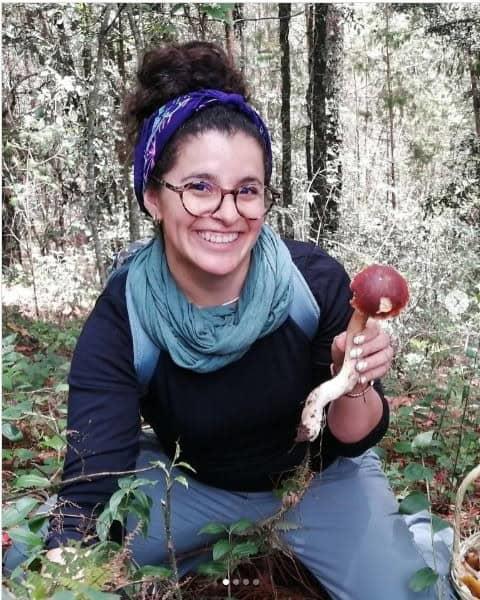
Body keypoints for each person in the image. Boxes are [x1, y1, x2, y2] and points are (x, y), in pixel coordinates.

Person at [5, 41, 455, 599]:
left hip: (316, 483)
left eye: (247, 190)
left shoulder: (311, 282)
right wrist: (65, 567)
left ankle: (414, 539)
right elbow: (94, 475)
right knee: (30, 560)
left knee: (407, 593)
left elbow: (351, 438)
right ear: (153, 195)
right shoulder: (127, 313)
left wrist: (353, 381)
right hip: (192, 485)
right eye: (198, 188)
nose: (226, 211)